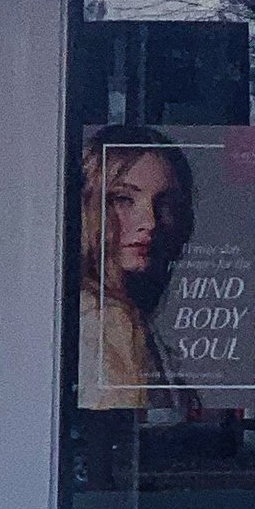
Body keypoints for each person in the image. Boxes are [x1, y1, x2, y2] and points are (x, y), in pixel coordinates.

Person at [74, 127, 194, 415]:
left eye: (164, 203)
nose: (150, 222)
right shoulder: (103, 319)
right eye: (123, 199)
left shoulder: (126, 316)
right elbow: (116, 435)